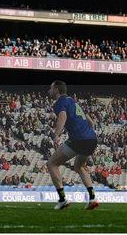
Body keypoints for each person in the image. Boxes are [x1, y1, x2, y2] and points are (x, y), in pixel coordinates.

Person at [46, 80, 99, 210]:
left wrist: (57, 135)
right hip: (91, 138)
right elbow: (90, 122)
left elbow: (62, 116)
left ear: (57, 90)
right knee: (80, 166)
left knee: (52, 164)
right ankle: (93, 198)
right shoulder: (73, 101)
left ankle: (63, 199)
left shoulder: (59, 102)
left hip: (78, 139)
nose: (49, 90)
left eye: (51, 88)